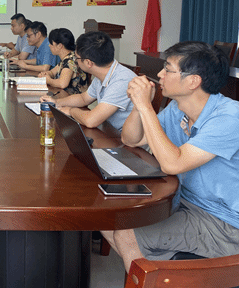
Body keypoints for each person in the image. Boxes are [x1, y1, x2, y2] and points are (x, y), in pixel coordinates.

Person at [102, 41, 239, 273]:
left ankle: (155, 281)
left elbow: (172, 163)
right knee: (107, 218)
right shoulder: (178, 109)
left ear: (193, 81)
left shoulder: (229, 117)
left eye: (167, 69)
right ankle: (158, 279)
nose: (159, 74)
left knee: (127, 234)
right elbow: (132, 139)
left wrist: (146, 107)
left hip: (224, 223)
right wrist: (138, 106)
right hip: (185, 202)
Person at [39, 31, 135, 132]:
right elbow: (83, 98)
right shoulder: (102, 74)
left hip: (121, 138)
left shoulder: (121, 81)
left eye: (77, 58)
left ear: (88, 63)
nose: (75, 60)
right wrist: (56, 102)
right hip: (109, 130)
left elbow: (91, 120)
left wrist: (71, 111)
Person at [37, 28, 88, 95]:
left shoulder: (70, 60)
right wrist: (46, 74)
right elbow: (52, 72)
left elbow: (62, 84)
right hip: (65, 96)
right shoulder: (66, 58)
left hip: (74, 99)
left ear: (60, 46)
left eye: (51, 43)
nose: (49, 45)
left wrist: (49, 80)